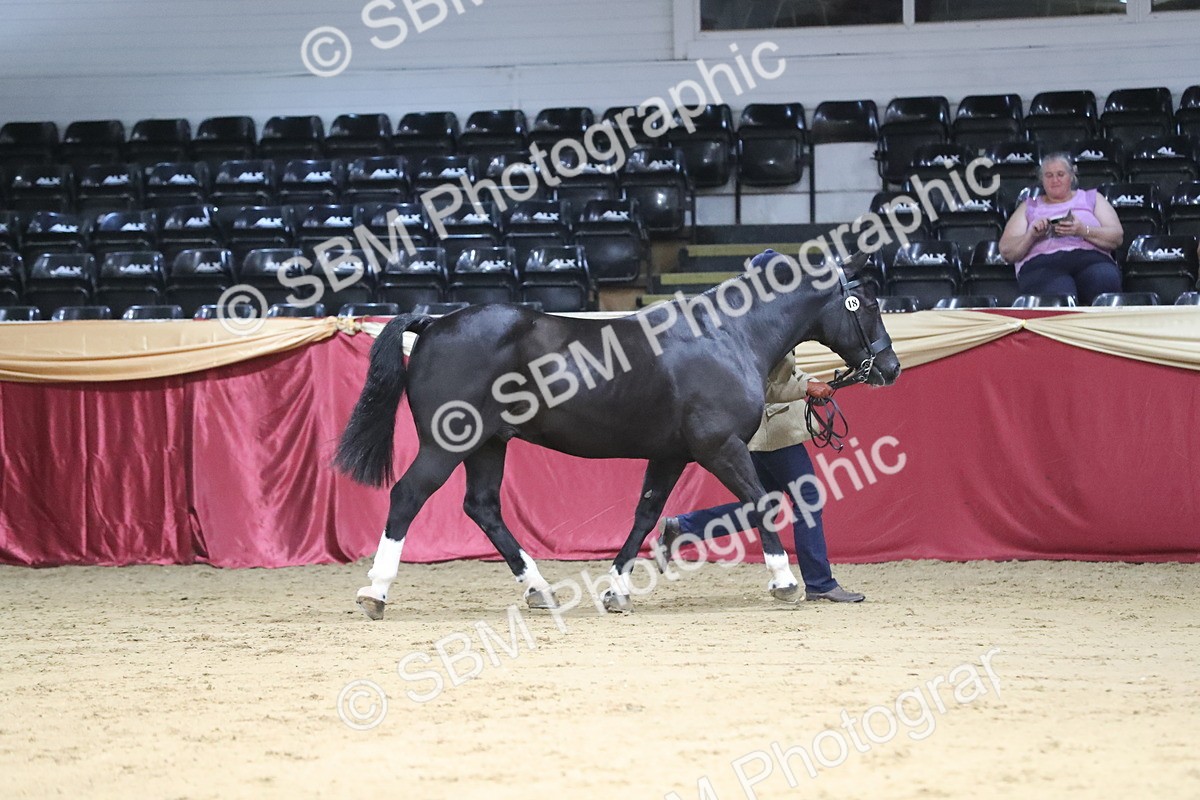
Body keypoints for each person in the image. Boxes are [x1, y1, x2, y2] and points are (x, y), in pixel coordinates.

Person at [654, 354, 865, 603]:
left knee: (766, 505)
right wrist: (806, 387)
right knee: (807, 499)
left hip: (766, 429)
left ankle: (681, 527)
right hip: (771, 429)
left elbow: (785, 374)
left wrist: (811, 383)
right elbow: (759, 383)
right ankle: (819, 582)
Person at [999, 153, 1124, 305]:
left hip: (1091, 259)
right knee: (1058, 296)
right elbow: (1007, 251)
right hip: (1043, 264)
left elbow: (1117, 237)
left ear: (1071, 176)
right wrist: (1031, 236)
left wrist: (1083, 230)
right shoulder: (1029, 205)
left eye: (1060, 174)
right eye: (1049, 175)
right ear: (1042, 180)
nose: (1055, 180)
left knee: (1104, 279)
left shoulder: (1092, 198)